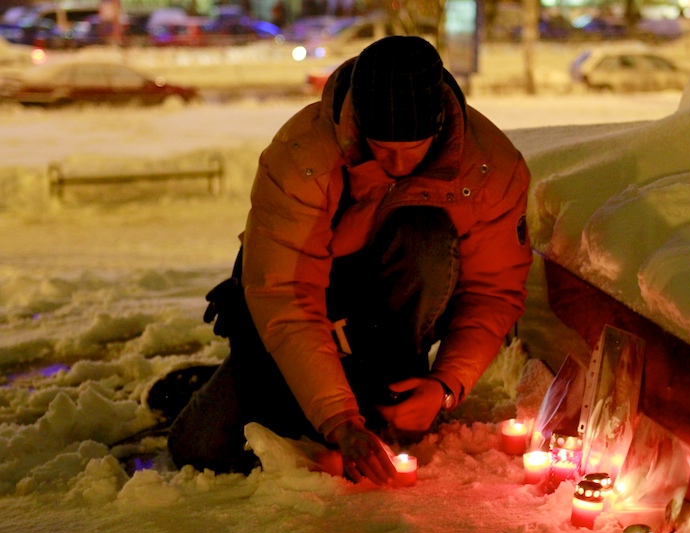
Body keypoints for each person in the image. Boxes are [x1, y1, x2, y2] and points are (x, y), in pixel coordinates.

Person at [167, 36, 532, 486]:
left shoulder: (489, 168)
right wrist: (339, 419)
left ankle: (391, 384)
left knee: (425, 237)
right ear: (358, 121)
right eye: (382, 147)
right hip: (320, 300)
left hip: (397, 313)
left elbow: (493, 291)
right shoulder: (302, 156)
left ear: (438, 127)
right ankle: (238, 380)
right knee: (203, 449)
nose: (398, 162)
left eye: (412, 147)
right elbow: (285, 291)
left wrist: (444, 387)